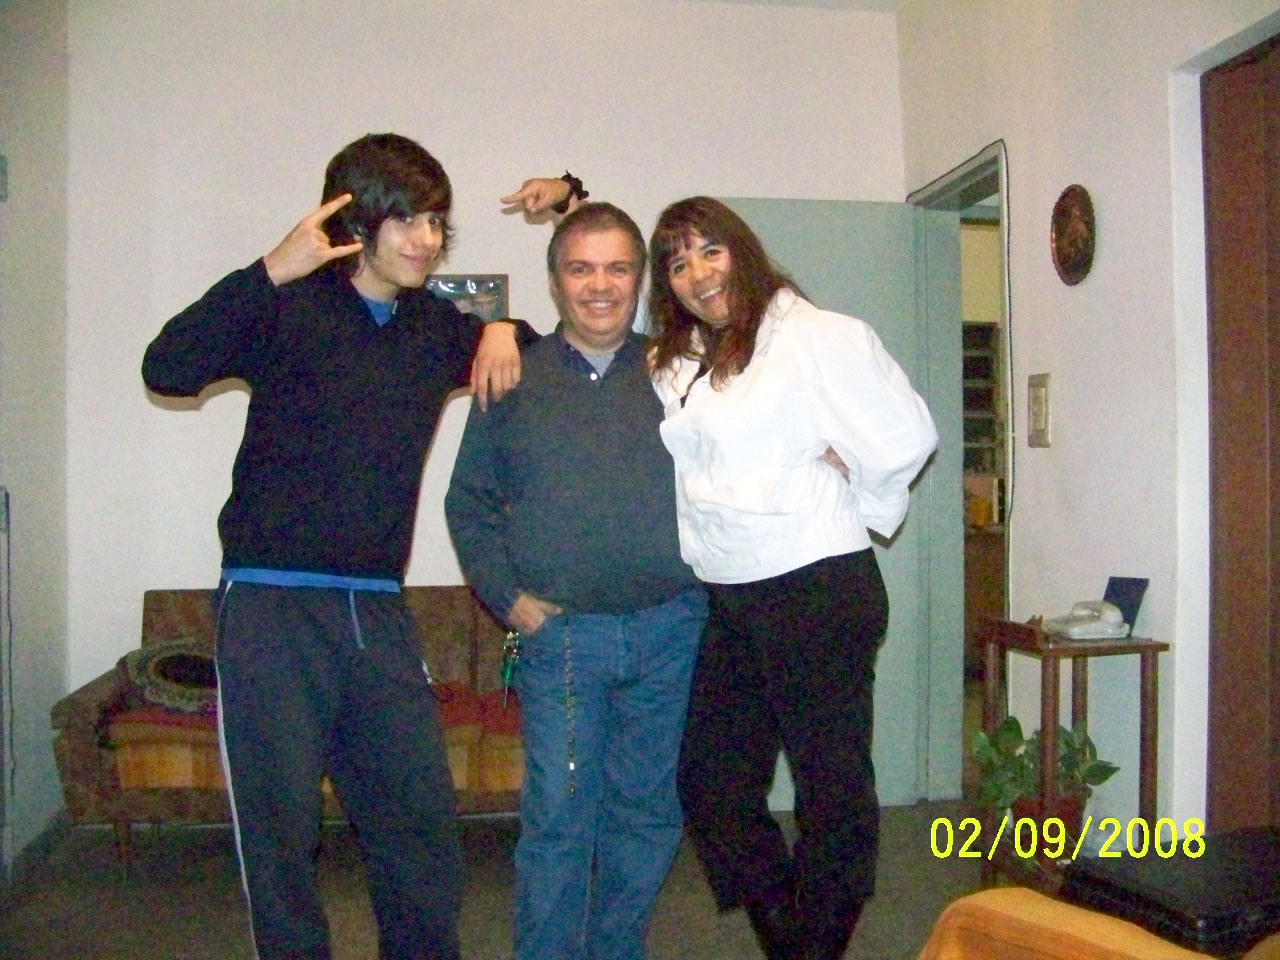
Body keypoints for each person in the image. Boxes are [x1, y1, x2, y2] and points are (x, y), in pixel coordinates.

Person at [141, 133, 537, 960]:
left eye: (437, 222)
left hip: (376, 610)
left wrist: (505, 328)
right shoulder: (288, 305)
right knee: (281, 835)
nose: (427, 239)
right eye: (408, 220)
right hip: (270, 603)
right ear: (357, 223)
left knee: (419, 827)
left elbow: (551, 360)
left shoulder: (432, 329)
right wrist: (268, 270)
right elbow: (168, 366)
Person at [645, 196, 938, 960]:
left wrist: (860, 483)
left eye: (710, 250)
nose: (698, 273)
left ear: (741, 250)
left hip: (816, 586)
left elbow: (907, 437)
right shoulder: (684, 361)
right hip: (733, 594)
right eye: (677, 263)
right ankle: (797, 947)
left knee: (830, 794)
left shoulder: (814, 335)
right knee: (711, 784)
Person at [444, 201, 707, 960]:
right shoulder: (513, 374)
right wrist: (507, 599)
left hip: (670, 632)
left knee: (646, 815)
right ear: (556, 281)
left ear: (641, 279)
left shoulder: (679, 372)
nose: (600, 285)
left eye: (618, 268)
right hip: (561, 642)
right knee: (559, 819)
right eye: (581, 268)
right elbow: (469, 503)